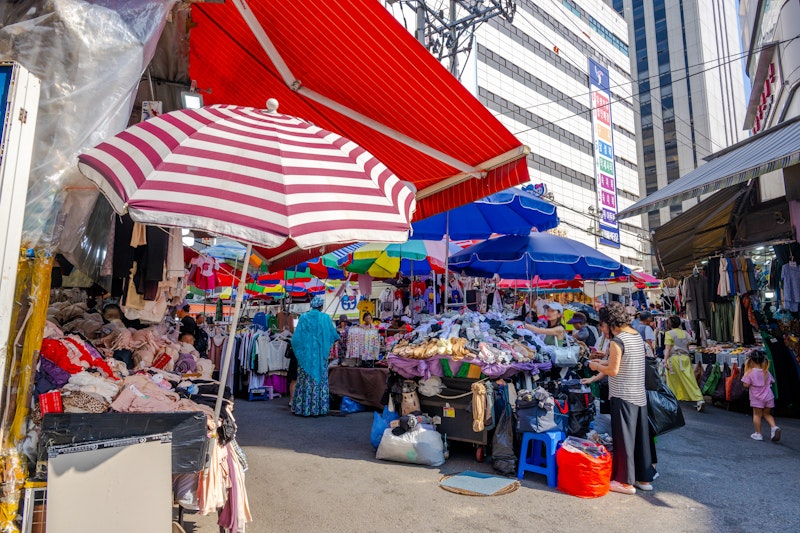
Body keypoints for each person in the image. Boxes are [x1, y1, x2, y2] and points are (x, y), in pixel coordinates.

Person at [585, 301, 655, 495]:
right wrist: (599, 368)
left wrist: (596, 366)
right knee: (640, 438)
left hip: (623, 395)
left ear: (609, 322)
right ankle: (643, 478)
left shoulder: (617, 341)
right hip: (638, 395)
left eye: (602, 323)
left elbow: (613, 370)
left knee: (624, 439)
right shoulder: (635, 336)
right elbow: (623, 362)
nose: (601, 327)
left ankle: (625, 482)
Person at [290, 296, 339, 417]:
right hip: (320, 357)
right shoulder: (325, 318)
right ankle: (318, 409)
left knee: (304, 382)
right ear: (321, 306)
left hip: (305, 357)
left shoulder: (303, 317)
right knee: (318, 382)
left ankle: (303, 408)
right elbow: (334, 335)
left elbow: (296, 339)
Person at [663, 315, 705, 412]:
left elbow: (668, 348)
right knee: (689, 378)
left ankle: (674, 398)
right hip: (685, 357)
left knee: (673, 380)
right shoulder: (685, 333)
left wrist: (665, 360)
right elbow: (689, 343)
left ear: (670, 324)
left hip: (674, 358)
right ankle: (699, 399)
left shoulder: (669, 334)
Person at [741, 350, 781, 442]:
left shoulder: (750, 373)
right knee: (767, 414)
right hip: (769, 396)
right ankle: (774, 427)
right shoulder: (766, 372)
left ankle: (758, 434)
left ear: (751, 360)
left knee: (757, 415)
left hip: (757, 397)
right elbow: (772, 381)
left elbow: (746, 385)